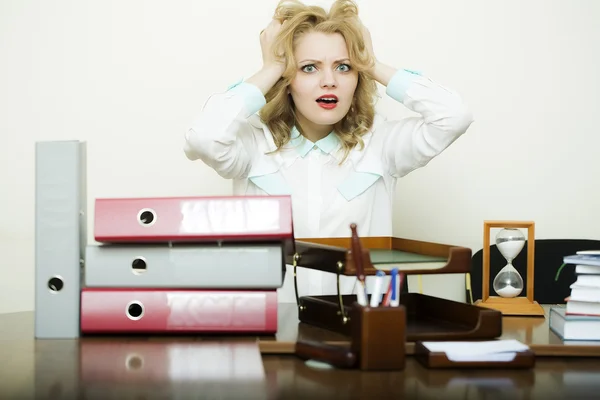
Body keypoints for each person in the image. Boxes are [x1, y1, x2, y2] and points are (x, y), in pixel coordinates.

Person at [183, 0, 474, 302]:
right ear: (287, 80)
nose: (329, 82)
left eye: (343, 67)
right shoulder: (252, 145)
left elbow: (454, 116)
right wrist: (271, 67)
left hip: (360, 332)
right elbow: (203, 138)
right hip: (269, 331)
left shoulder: (382, 145)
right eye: (309, 68)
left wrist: (371, 63)